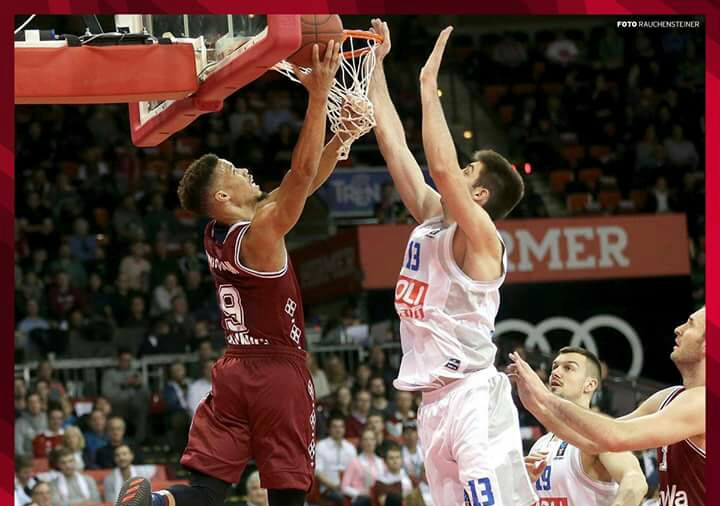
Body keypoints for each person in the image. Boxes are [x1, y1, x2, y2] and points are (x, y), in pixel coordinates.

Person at [117, 41, 360, 506]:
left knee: (206, 490)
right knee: (288, 493)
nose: (245, 169)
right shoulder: (261, 234)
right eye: (232, 170)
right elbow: (300, 175)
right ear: (222, 198)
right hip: (277, 372)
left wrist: (339, 139)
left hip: (232, 372)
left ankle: (156, 502)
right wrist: (319, 95)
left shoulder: (217, 233)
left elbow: (298, 186)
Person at [368, 20, 535, 505]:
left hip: (473, 394)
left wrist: (428, 85)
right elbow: (393, 145)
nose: (455, 173)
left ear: (479, 195)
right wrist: (375, 65)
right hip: (433, 401)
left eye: (468, 171)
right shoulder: (432, 217)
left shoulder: (482, 239)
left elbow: (440, 167)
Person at [509, 307, 706, 505]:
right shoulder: (668, 397)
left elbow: (617, 438)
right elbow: (596, 441)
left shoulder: (705, 402)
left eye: (690, 324)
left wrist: (545, 398)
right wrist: (536, 407)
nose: (678, 329)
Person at [524, 347, 648, 506]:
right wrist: (522, 484)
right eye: (555, 367)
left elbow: (635, 480)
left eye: (568, 368)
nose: (556, 372)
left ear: (589, 385)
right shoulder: (540, 444)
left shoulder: (598, 435)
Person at [315, 415, 358, 505]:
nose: (338, 430)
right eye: (335, 427)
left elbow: (355, 471)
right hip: (329, 488)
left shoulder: (350, 448)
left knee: (364, 498)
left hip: (349, 488)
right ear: (329, 429)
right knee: (340, 498)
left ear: (344, 429)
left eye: (341, 427)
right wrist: (335, 486)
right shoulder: (321, 446)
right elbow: (317, 472)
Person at [342, 429, 386, 506]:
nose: (369, 442)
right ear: (361, 443)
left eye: (371, 439)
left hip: (378, 497)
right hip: (361, 499)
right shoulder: (354, 462)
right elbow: (344, 487)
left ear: (375, 442)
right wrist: (360, 493)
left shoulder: (380, 462)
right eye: (365, 439)